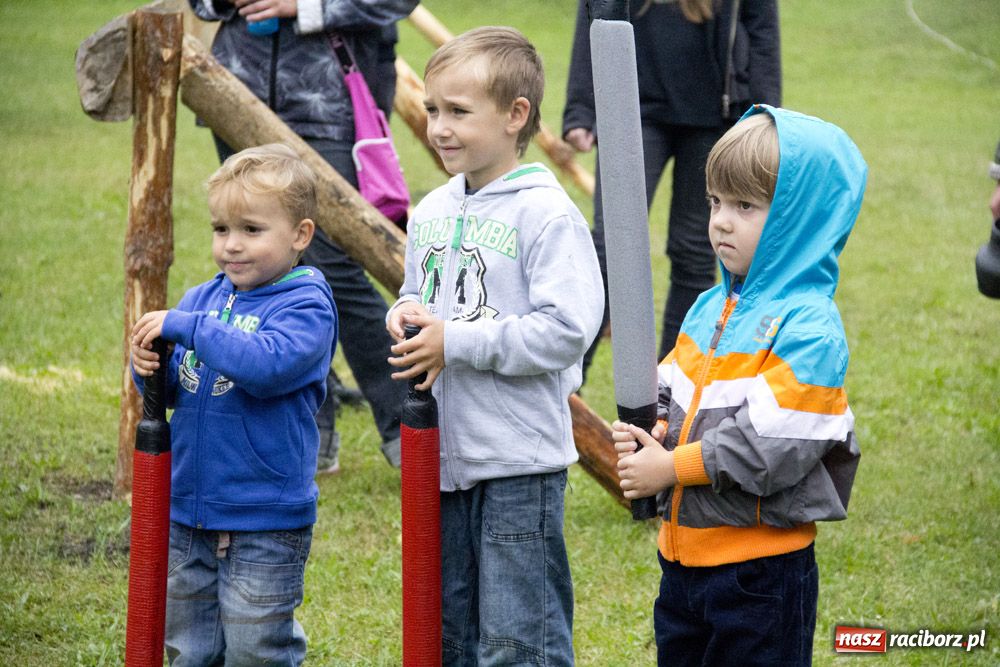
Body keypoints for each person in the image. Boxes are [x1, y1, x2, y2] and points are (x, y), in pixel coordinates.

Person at [611, 107, 866, 665]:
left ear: (799, 221)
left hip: (758, 577)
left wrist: (669, 467)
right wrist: (649, 428)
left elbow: (770, 448)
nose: (721, 221)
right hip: (682, 565)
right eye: (715, 202)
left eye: (745, 206)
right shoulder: (710, 308)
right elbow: (672, 386)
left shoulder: (810, 330)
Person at [385, 27, 604, 665]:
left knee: (518, 641)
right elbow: (413, 291)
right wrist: (405, 316)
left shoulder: (547, 215)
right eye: (432, 110)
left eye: (458, 112)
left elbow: (568, 330)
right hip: (442, 456)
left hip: (518, 462)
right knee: (450, 634)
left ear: (516, 117)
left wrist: (458, 342)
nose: (439, 127)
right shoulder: (429, 212)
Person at [188, 0, 420, 473]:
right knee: (264, 268)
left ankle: (408, 427)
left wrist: (306, 6)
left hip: (325, 100)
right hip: (234, 89)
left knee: (331, 266)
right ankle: (309, 429)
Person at [130, 144, 337, 665]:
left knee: (256, 649)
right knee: (190, 647)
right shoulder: (204, 298)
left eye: (251, 229)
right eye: (221, 229)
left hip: (265, 516)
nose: (232, 247)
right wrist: (148, 368)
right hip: (188, 510)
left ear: (300, 235)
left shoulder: (306, 305)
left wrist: (191, 328)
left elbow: (264, 367)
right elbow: (177, 388)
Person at [563, 0, 781, 376]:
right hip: (631, 108)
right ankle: (566, 382)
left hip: (716, 114)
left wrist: (764, 117)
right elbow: (592, 20)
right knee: (612, 249)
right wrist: (582, 109)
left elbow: (762, 33)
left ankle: (671, 392)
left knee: (694, 253)